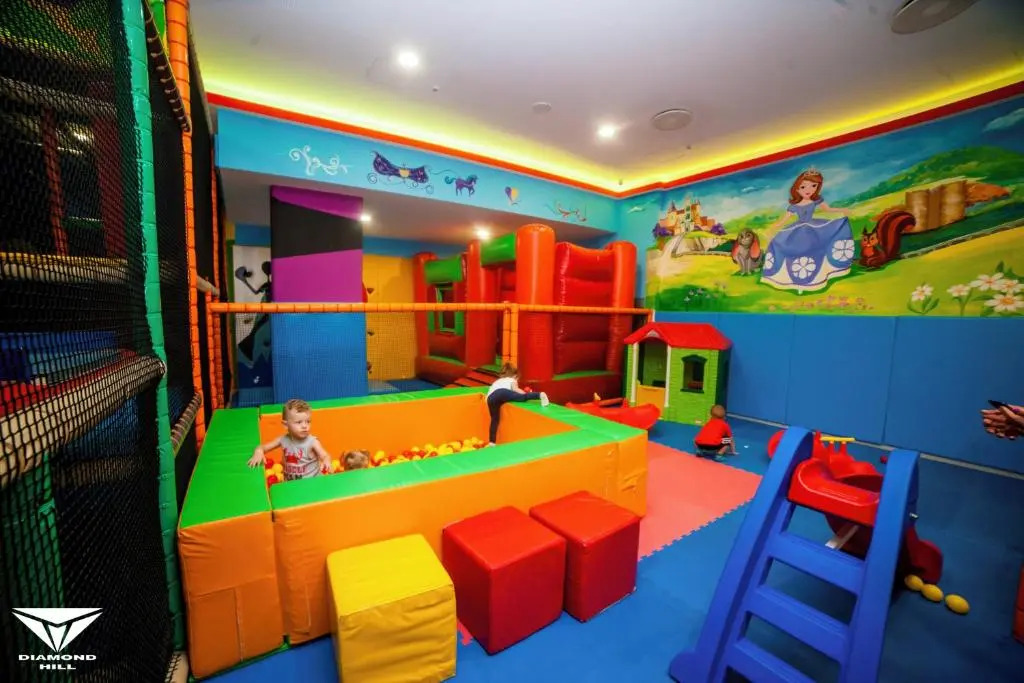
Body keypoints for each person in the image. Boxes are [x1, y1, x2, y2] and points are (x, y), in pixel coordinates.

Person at [760, 169, 856, 293]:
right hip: (798, 230)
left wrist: (842, 210)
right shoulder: (794, 206)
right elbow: (783, 221)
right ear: (797, 189)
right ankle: (800, 282)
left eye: (813, 186)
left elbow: (828, 209)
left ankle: (821, 276)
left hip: (814, 227)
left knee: (818, 246)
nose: (808, 190)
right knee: (797, 249)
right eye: (803, 187)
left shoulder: (816, 201)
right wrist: (772, 228)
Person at [248, 398, 332, 480]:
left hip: (312, 483)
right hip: (290, 485)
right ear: (285, 425)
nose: (305, 426)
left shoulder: (312, 442)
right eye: (299, 422)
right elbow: (262, 447)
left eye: (308, 421)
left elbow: (325, 456)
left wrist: (326, 461)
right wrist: (258, 452)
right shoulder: (282, 440)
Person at [486, 363, 549, 446]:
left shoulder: (497, 381)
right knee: (522, 397)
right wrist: (525, 393)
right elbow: (516, 389)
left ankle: (492, 442)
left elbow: (492, 392)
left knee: (494, 420)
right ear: (515, 376)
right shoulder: (512, 380)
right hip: (502, 392)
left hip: (490, 398)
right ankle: (539, 395)